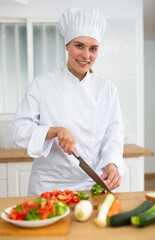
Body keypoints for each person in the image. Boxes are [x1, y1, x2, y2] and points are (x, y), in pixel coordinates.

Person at [10, 8, 127, 196]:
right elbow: (18, 131)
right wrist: (53, 131)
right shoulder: (43, 84)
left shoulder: (107, 88)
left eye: (93, 48)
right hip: (49, 185)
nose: (86, 55)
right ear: (67, 46)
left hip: (93, 183)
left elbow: (113, 133)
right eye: (79, 46)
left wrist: (113, 164)